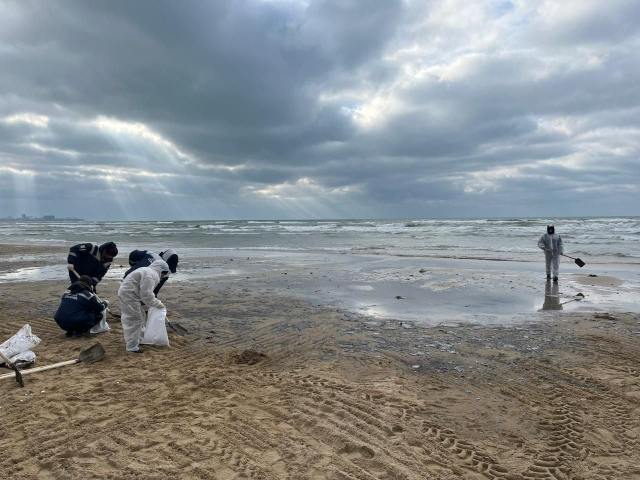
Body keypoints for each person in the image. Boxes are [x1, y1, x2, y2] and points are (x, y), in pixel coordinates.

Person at [118, 259, 169, 354]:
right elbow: (146, 294)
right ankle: (132, 346)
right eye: (163, 274)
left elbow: (144, 293)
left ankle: (138, 340)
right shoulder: (151, 275)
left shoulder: (147, 271)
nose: (162, 277)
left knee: (141, 316)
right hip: (129, 296)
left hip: (129, 294)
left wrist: (152, 303)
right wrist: (157, 303)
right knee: (135, 320)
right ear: (162, 271)